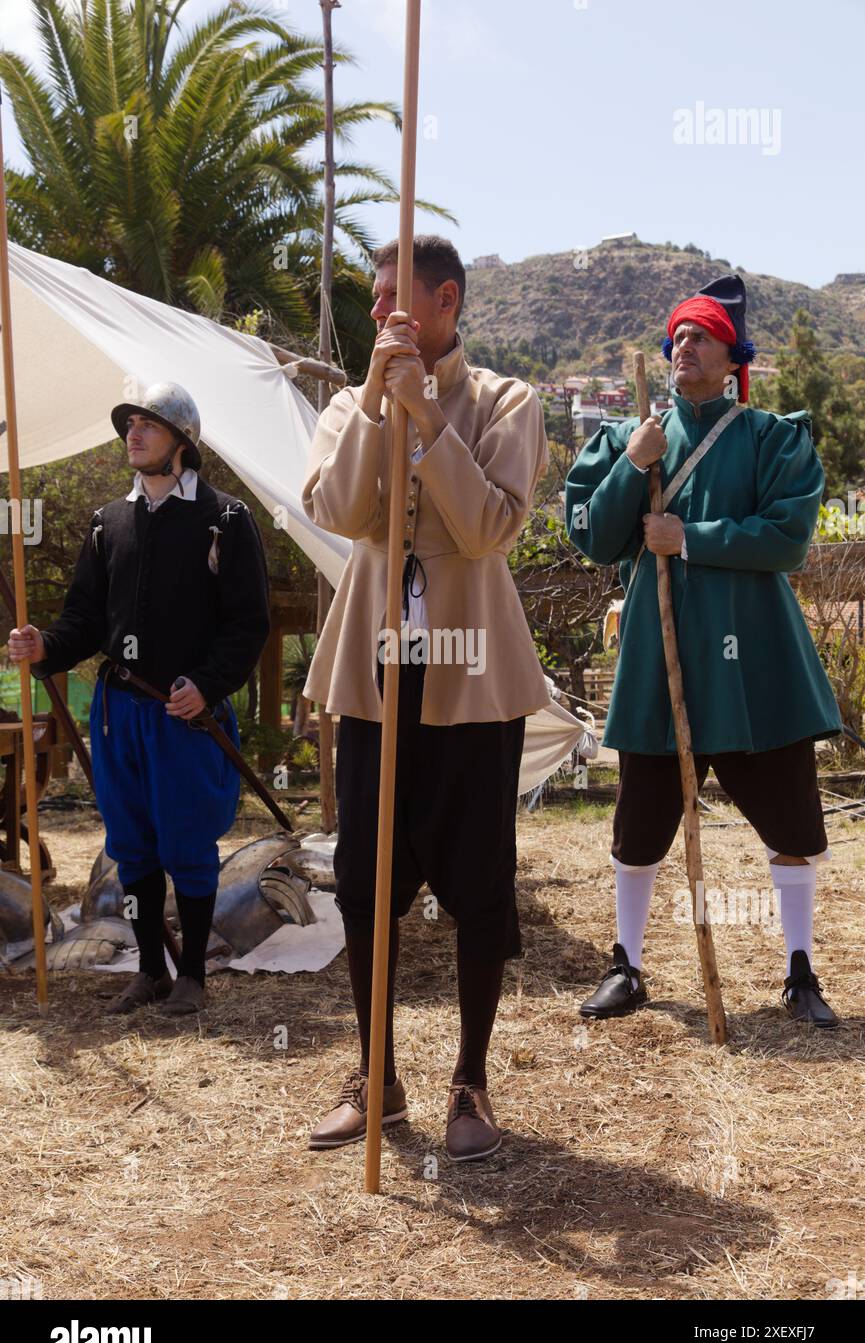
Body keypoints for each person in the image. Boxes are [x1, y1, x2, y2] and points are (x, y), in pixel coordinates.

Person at [302, 235, 550, 1159]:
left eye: (389, 298)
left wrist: (430, 415)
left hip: (472, 676)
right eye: (370, 299)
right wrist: (379, 404)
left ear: (443, 301)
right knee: (365, 884)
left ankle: (470, 1086)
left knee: (479, 884)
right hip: (375, 675)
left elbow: (487, 526)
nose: (375, 314)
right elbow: (337, 510)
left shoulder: (507, 402)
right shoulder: (345, 404)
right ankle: (378, 1077)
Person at [565, 275, 842, 1028]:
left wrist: (690, 538)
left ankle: (799, 970)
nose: (683, 346)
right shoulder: (630, 440)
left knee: (791, 824)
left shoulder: (772, 439)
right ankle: (625, 965)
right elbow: (591, 535)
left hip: (754, 663)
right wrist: (633, 465)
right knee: (638, 824)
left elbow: (786, 538)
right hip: (661, 663)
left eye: (700, 336)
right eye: (676, 337)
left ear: (733, 357)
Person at [9, 383, 270, 1015]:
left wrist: (206, 685)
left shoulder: (225, 520)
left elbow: (248, 624)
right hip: (119, 712)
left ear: (182, 440)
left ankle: (195, 981)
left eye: (148, 424)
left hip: (185, 715)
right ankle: (152, 969)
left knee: (186, 844)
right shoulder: (109, 524)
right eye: (130, 424)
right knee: (132, 846)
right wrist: (45, 644)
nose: (133, 433)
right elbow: (84, 621)